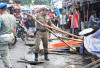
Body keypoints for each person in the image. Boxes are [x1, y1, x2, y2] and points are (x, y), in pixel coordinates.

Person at [0, 3, 16, 68]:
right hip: (11, 37)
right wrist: (14, 37)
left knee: (4, 55)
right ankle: (9, 65)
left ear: (1, 10)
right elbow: (15, 29)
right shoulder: (13, 17)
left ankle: (8, 66)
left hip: (3, 38)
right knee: (7, 53)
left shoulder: (1, 18)